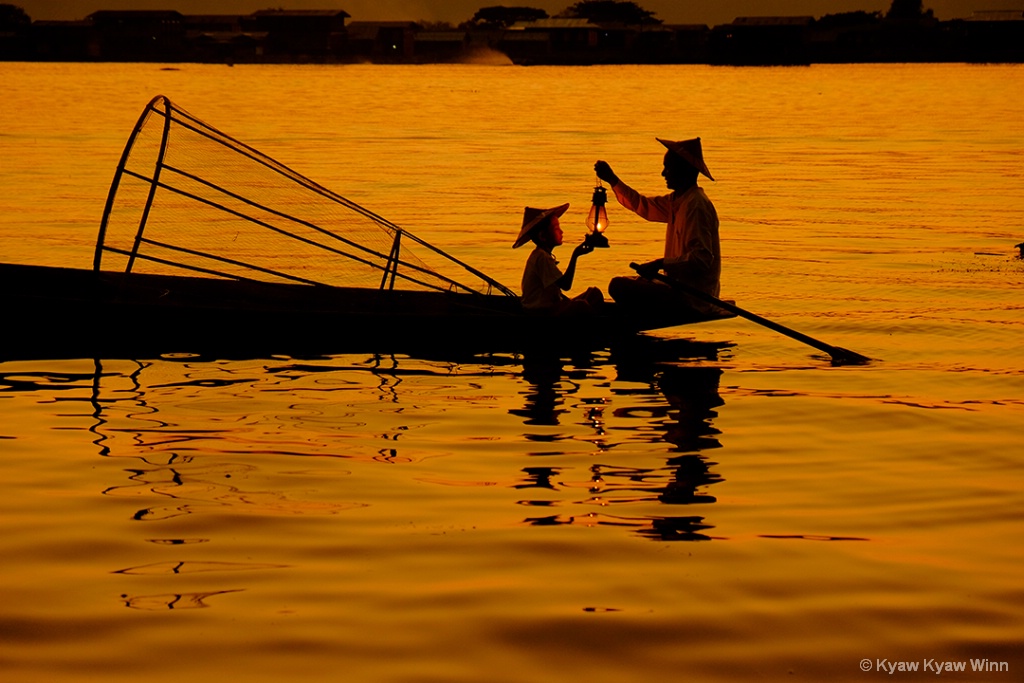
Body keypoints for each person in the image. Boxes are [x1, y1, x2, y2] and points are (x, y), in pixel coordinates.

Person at [594, 137, 720, 312]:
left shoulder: (696, 205)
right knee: (633, 282)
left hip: (693, 297)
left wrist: (659, 264)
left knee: (617, 286)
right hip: (677, 288)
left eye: (668, 168)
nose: (663, 173)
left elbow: (701, 259)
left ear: (684, 170)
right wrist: (613, 180)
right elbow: (642, 205)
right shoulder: (677, 201)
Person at [513, 203, 604, 315]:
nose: (561, 232)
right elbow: (565, 285)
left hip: (554, 307)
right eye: (556, 228)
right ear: (543, 236)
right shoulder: (541, 257)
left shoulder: (543, 255)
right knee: (580, 306)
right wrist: (575, 255)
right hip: (540, 313)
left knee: (594, 294)